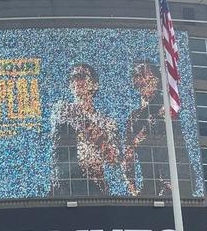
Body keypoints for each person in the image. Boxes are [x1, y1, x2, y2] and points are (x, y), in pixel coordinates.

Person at [49, 63, 120, 196]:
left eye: (81, 76)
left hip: (94, 186)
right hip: (64, 185)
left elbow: (113, 159)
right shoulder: (62, 110)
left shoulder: (107, 122)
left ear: (95, 84)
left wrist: (84, 123)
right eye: (73, 78)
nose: (76, 81)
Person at [122, 59, 190, 197]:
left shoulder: (168, 105)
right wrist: (132, 187)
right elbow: (128, 155)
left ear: (157, 79)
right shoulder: (134, 116)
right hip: (150, 185)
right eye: (137, 75)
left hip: (175, 182)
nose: (142, 80)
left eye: (145, 74)